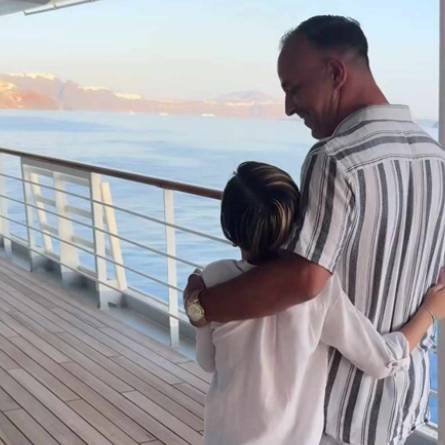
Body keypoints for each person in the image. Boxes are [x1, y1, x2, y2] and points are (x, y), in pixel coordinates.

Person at [184, 15, 445, 445]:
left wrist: (202, 304)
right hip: (399, 404)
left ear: (336, 73)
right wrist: (431, 313)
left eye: (294, 88)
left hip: (338, 416)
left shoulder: (336, 158)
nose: (289, 107)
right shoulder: (435, 157)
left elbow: (304, 279)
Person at [193, 161, 445, 445]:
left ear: (229, 229)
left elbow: (206, 361)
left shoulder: (213, 279)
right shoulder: (318, 289)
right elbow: (381, 361)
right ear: (298, 224)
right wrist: (429, 311)